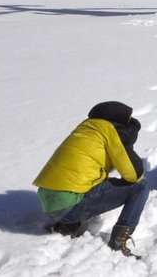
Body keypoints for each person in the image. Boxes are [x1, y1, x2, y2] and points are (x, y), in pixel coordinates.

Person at [33, 101, 149, 258]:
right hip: (69, 205)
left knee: (91, 179)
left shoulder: (86, 128)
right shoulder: (111, 132)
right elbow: (134, 175)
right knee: (140, 187)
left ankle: (67, 226)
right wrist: (127, 142)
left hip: (48, 201)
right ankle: (118, 241)